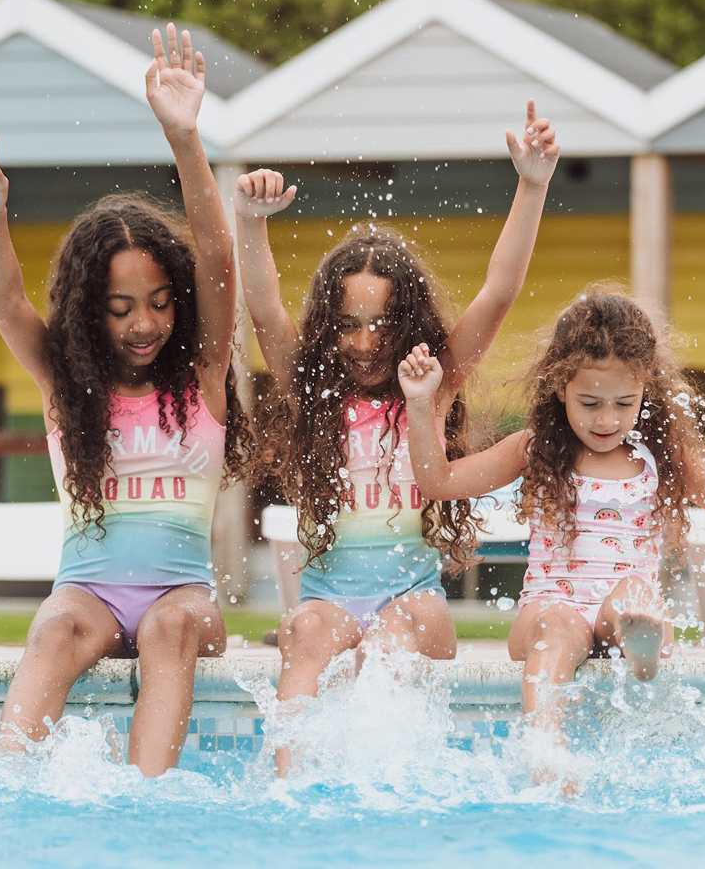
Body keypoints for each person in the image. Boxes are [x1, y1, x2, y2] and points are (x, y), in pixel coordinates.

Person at [0, 26, 250, 776]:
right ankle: (2, 788)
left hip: (183, 596)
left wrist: (185, 139)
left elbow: (215, 257)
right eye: (119, 308)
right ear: (88, 311)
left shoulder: (203, 374)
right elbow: (9, 301)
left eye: (157, 302)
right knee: (51, 630)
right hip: (89, 593)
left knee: (171, 629)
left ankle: (145, 806)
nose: (143, 323)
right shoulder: (66, 385)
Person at [234, 103, 560, 772]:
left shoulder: (432, 387)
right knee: (301, 632)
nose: (363, 343)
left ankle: (392, 788)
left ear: (408, 323)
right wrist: (252, 225)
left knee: (390, 643)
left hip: (414, 602)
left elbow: (499, 293)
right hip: (328, 601)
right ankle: (288, 789)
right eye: (349, 325)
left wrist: (531, 185)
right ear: (328, 327)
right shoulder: (314, 390)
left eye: (381, 325)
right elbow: (265, 308)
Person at [398, 289, 705, 780]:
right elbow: (439, 481)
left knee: (636, 595)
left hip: (619, 605)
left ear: (647, 388)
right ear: (560, 388)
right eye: (590, 403)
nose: (607, 420)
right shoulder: (532, 448)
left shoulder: (660, 455)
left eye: (624, 403)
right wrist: (418, 402)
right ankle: (548, 754)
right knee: (559, 624)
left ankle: (640, 642)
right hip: (548, 606)